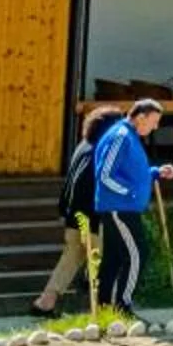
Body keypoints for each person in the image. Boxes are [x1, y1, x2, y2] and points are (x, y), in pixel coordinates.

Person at [30, 104, 124, 316]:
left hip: (74, 215)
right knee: (107, 261)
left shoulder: (83, 146)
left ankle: (45, 302)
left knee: (71, 258)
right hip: (94, 216)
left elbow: (71, 182)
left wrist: (65, 210)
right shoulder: (103, 151)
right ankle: (106, 308)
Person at [92, 99, 173, 316]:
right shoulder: (121, 136)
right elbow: (105, 174)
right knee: (138, 254)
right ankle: (123, 305)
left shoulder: (130, 137)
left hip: (122, 206)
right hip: (120, 208)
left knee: (114, 257)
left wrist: (156, 172)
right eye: (153, 121)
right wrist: (129, 193)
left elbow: (133, 174)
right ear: (140, 117)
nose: (155, 127)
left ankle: (105, 307)